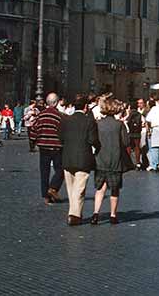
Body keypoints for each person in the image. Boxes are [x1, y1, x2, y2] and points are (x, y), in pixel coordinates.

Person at [60, 94, 100, 226]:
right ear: (86, 107)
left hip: (67, 157)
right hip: (83, 158)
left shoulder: (66, 120)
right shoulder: (89, 121)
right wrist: (98, 148)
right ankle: (74, 215)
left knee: (71, 188)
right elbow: (93, 140)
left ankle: (74, 212)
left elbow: (61, 138)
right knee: (79, 189)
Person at [92, 98, 129, 225]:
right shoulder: (119, 125)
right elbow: (126, 142)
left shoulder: (98, 123)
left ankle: (95, 214)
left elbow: (93, 140)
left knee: (100, 188)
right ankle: (113, 215)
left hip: (100, 159)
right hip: (115, 160)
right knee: (114, 189)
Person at [30, 92, 65, 204]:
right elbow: (63, 131)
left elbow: (34, 129)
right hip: (56, 146)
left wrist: (34, 141)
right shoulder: (59, 116)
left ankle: (46, 196)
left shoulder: (41, 115)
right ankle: (53, 188)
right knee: (60, 169)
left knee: (44, 172)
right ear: (56, 103)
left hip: (43, 146)